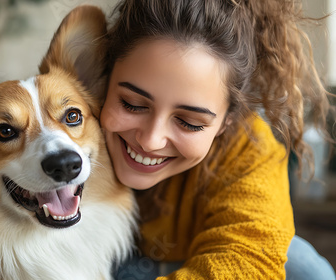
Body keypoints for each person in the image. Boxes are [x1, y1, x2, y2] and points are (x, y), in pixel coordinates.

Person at [97, 0, 336, 279]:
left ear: (227, 123)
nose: (150, 141)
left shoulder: (250, 148)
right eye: (132, 104)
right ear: (102, 79)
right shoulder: (67, 119)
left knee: (302, 266)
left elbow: (249, 258)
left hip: (192, 260)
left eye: (189, 122)